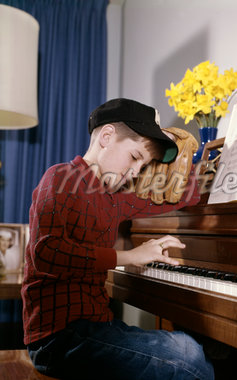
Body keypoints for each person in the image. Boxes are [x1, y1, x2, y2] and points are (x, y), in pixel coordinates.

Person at [21, 98, 214, 380]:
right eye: (135, 157)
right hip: (57, 338)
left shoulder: (116, 198)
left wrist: (198, 158)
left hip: (98, 327)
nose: (135, 172)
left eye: (143, 165)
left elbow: (184, 197)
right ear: (106, 137)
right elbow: (47, 253)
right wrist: (130, 257)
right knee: (188, 357)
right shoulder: (60, 177)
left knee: (188, 348)